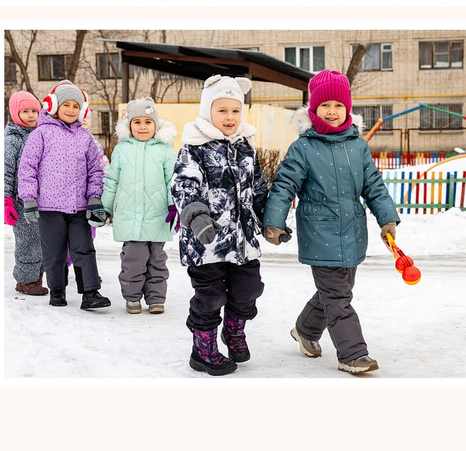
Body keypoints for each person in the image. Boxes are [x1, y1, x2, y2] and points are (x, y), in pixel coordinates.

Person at [262, 71, 400, 375]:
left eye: (339, 105)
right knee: (338, 297)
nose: (332, 111)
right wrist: (274, 220)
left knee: (336, 291)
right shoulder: (304, 147)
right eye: (325, 105)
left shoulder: (357, 146)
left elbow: (373, 185)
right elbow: (285, 185)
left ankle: (305, 330)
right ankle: (353, 354)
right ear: (314, 109)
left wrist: (386, 217)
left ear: (348, 109)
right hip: (319, 231)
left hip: (352, 231)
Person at [173, 76, 268, 375]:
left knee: (249, 289)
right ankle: (202, 350)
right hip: (206, 242)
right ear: (207, 111)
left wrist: (271, 219)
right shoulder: (194, 148)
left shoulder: (246, 147)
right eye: (222, 110)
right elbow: (183, 186)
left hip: (243, 241)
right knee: (211, 296)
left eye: (235, 111)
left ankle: (234, 332)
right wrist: (198, 217)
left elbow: (258, 188)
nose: (230, 117)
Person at [17, 83, 111, 310]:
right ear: (54, 106)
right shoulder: (40, 134)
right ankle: (57, 291)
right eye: (66, 104)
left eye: (76, 106)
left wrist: (94, 198)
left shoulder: (85, 138)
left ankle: (90, 293)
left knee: (84, 248)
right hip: (49, 206)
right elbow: (28, 167)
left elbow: (94, 170)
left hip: (79, 207)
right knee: (54, 251)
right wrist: (29, 199)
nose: (70, 109)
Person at [101, 97, 179, 315]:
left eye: (148, 122)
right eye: (137, 122)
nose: (143, 127)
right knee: (133, 261)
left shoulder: (165, 150)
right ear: (129, 125)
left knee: (157, 262)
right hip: (129, 215)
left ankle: (156, 298)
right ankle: (132, 297)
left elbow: (172, 181)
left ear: (156, 125)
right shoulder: (121, 150)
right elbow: (112, 180)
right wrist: (105, 207)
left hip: (158, 215)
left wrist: (175, 206)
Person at [5, 90, 49, 297]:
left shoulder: (41, 134)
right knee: (27, 241)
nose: (31, 115)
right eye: (25, 111)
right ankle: (25, 281)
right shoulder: (12, 139)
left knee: (42, 240)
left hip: (42, 200)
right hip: (20, 201)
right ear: (15, 113)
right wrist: (6, 201)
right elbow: (6, 171)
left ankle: (36, 277)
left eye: (34, 110)